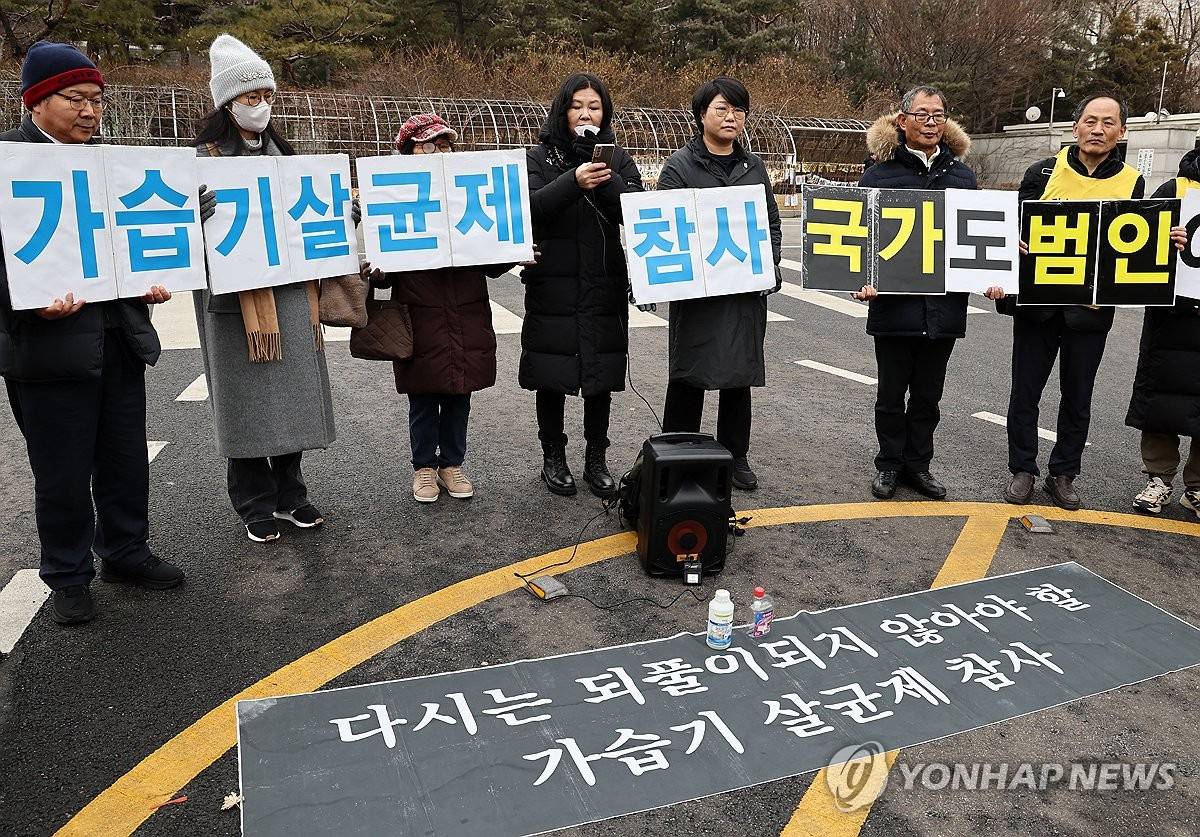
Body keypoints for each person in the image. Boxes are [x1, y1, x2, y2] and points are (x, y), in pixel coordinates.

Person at [0, 41, 184, 625]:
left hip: (119, 339)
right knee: (61, 469)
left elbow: (133, 245)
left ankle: (125, 552)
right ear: (35, 102)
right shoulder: (7, 165)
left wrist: (153, 280)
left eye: (96, 100)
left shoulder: (110, 166)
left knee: (125, 457)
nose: (89, 111)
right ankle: (68, 575)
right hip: (47, 349)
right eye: (74, 98)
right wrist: (27, 303)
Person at [1000, 94, 1186, 510]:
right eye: (1089, 121)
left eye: (1107, 123)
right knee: (1025, 392)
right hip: (1038, 306)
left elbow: (1134, 243)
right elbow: (1012, 229)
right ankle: (1023, 469)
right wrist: (1011, 244)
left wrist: (1166, 241)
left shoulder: (1133, 182)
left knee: (1078, 396)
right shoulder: (1041, 172)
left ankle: (1064, 474)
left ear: (1122, 132)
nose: (1097, 130)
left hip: (1091, 311)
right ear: (1075, 127)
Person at [194, 34, 335, 542]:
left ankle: (292, 493)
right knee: (246, 404)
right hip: (234, 300)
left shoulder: (287, 152)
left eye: (266, 96)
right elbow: (172, 231)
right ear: (227, 104)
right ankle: (254, 501)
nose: (260, 107)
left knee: (293, 396)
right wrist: (195, 214)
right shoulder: (201, 158)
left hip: (292, 294)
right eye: (250, 97)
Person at [851, 86, 1006, 501]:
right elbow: (858, 241)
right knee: (889, 394)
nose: (931, 122)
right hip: (893, 309)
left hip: (943, 309)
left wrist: (992, 275)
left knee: (928, 397)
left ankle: (918, 466)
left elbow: (976, 237)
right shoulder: (878, 173)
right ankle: (888, 465)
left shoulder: (961, 176)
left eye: (938, 115)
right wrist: (859, 283)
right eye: (922, 114)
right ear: (902, 121)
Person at [367, 113, 511, 503]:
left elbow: (491, 260)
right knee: (423, 396)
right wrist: (376, 271)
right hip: (419, 314)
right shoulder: (393, 200)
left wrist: (514, 252)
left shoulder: (468, 195)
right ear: (408, 152)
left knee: (460, 394)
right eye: (429, 145)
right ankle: (424, 469)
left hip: (466, 312)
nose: (439, 152)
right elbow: (383, 271)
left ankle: (451, 463)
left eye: (445, 145)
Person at [657, 76, 782, 490]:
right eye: (721, 109)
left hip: (743, 293)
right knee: (689, 377)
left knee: (738, 377)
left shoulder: (754, 167)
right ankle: (677, 451)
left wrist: (771, 266)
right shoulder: (680, 166)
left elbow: (772, 223)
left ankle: (735, 456)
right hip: (698, 295)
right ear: (700, 116)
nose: (731, 117)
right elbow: (665, 228)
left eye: (738, 110)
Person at [522, 73, 643, 498]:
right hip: (552, 282)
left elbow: (635, 211)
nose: (586, 114)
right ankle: (553, 456)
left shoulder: (617, 159)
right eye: (577, 106)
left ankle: (597, 459)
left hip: (603, 281)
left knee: (599, 371)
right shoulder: (539, 157)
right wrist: (573, 180)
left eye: (595, 107)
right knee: (551, 372)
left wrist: (605, 178)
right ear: (563, 111)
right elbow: (530, 209)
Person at [1126, 146, 1200, 517]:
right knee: (1161, 399)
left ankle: (1197, 487)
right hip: (1173, 316)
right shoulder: (1174, 189)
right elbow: (1137, 247)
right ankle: (1159, 478)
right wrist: (1164, 243)